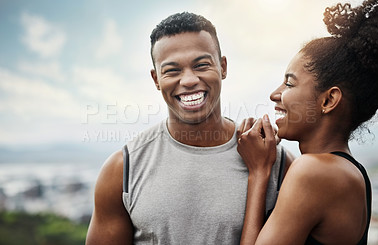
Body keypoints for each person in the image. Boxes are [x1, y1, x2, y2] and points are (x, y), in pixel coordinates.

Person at [86, 12, 293, 244]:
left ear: (223, 67)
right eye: (172, 70)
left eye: (201, 65)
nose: (188, 80)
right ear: (156, 79)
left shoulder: (274, 161)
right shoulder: (122, 169)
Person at [237, 0, 378, 244]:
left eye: (289, 83)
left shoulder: (313, 171)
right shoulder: (353, 173)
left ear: (329, 100)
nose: (274, 94)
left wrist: (258, 171)